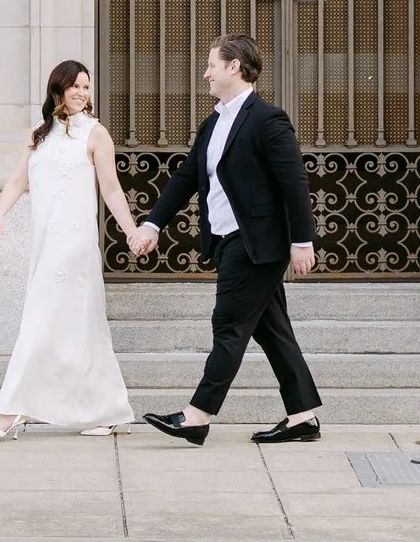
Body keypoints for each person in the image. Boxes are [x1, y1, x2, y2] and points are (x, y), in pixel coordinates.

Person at [131, 33, 323, 445]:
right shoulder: (214, 122)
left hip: (257, 244)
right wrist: (153, 225)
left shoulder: (267, 119)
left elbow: (294, 183)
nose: (206, 74)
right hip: (227, 239)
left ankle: (196, 416)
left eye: (211, 66)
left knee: (229, 326)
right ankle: (302, 417)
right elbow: (186, 178)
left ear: (234, 67)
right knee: (273, 330)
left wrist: (302, 242)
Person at [0, 58, 143, 439]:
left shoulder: (96, 134)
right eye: (76, 87)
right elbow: (18, 180)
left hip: (74, 244)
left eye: (87, 87)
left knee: (39, 320)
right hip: (45, 241)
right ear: (59, 89)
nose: (83, 94)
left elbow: (112, 189)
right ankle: (111, 409)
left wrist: (132, 231)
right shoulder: (38, 134)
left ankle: (10, 411)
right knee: (83, 326)